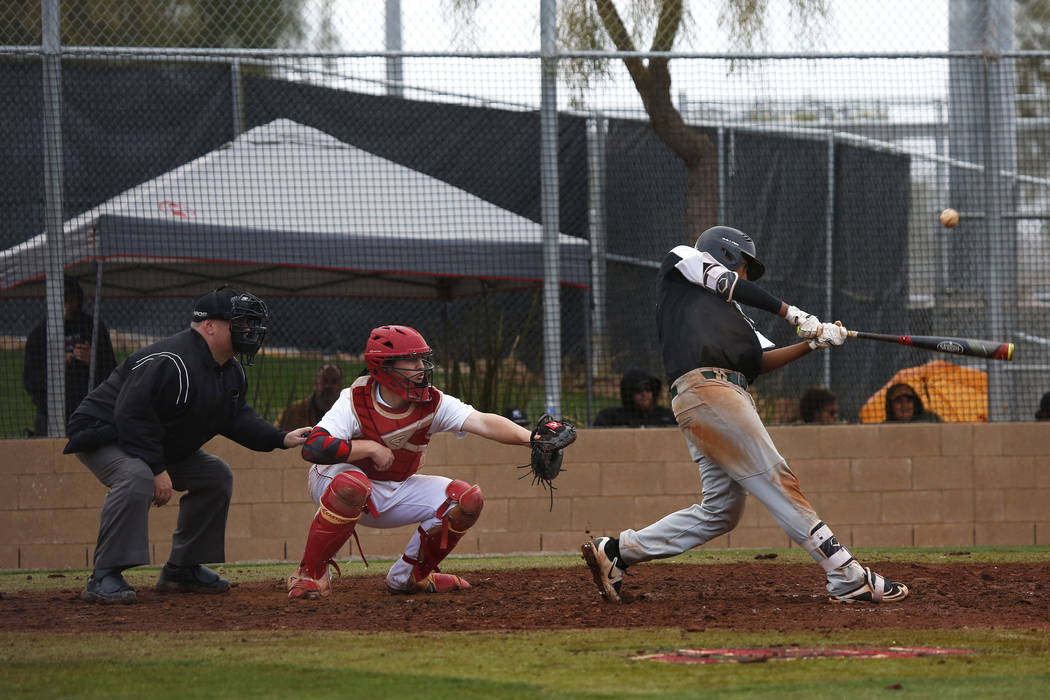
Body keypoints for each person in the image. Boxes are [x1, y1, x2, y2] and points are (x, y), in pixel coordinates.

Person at [581, 225, 908, 605]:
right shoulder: (683, 261)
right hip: (708, 390)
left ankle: (617, 551)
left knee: (721, 512)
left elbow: (760, 362)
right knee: (776, 477)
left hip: (721, 397)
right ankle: (845, 574)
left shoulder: (738, 321)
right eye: (745, 267)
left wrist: (812, 343)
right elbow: (726, 284)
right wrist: (793, 313)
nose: (746, 276)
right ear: (726, 254)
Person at [63, 286, 312, 604]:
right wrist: (156, 468)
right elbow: (130, 415)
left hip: (150, 438)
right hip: (103, 432)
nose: (249, 330)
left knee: (215, 475)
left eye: (251, 323)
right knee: (135, 477)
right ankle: (104, 575)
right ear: (209, 326)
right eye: (240, 323)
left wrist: (280, 438)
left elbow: (235, 418)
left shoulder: (229, 369)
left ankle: (181, 570)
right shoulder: (172, 360)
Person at [286, 324, 537, 600]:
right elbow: (314, 448)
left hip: (392, 487)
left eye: (422, 358)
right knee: (352, 485)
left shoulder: (432, 400)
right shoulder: (355, 398)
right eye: (412, 359)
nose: (421, 366)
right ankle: (310, 574)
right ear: (385, 366)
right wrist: (368, 447)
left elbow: (483, 421)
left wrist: (533, 439)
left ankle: (410, 576)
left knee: (465, 499)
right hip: (333, 481)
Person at [22, 277, 117, 437]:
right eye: (62, 300)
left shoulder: (93, 329)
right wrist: (55, 367)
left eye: (71, 299)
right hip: (51, 412)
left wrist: (93, 361)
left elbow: (113, 373)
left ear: (78, 300)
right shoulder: (38, 335)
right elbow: (31, 382)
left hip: (90, 409)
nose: (67, 305)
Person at [593, 370, 677, 427]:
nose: (644, 394)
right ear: (629, 394)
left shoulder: (666, 417)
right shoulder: (611, 418)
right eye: (638, 390)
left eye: (648, 389)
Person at [275, 364, 344, 430]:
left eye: (334, 381)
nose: (328, 386)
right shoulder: (292, 412)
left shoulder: (347, 414)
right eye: (324, 380)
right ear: (316, 383)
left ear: (341, 385)